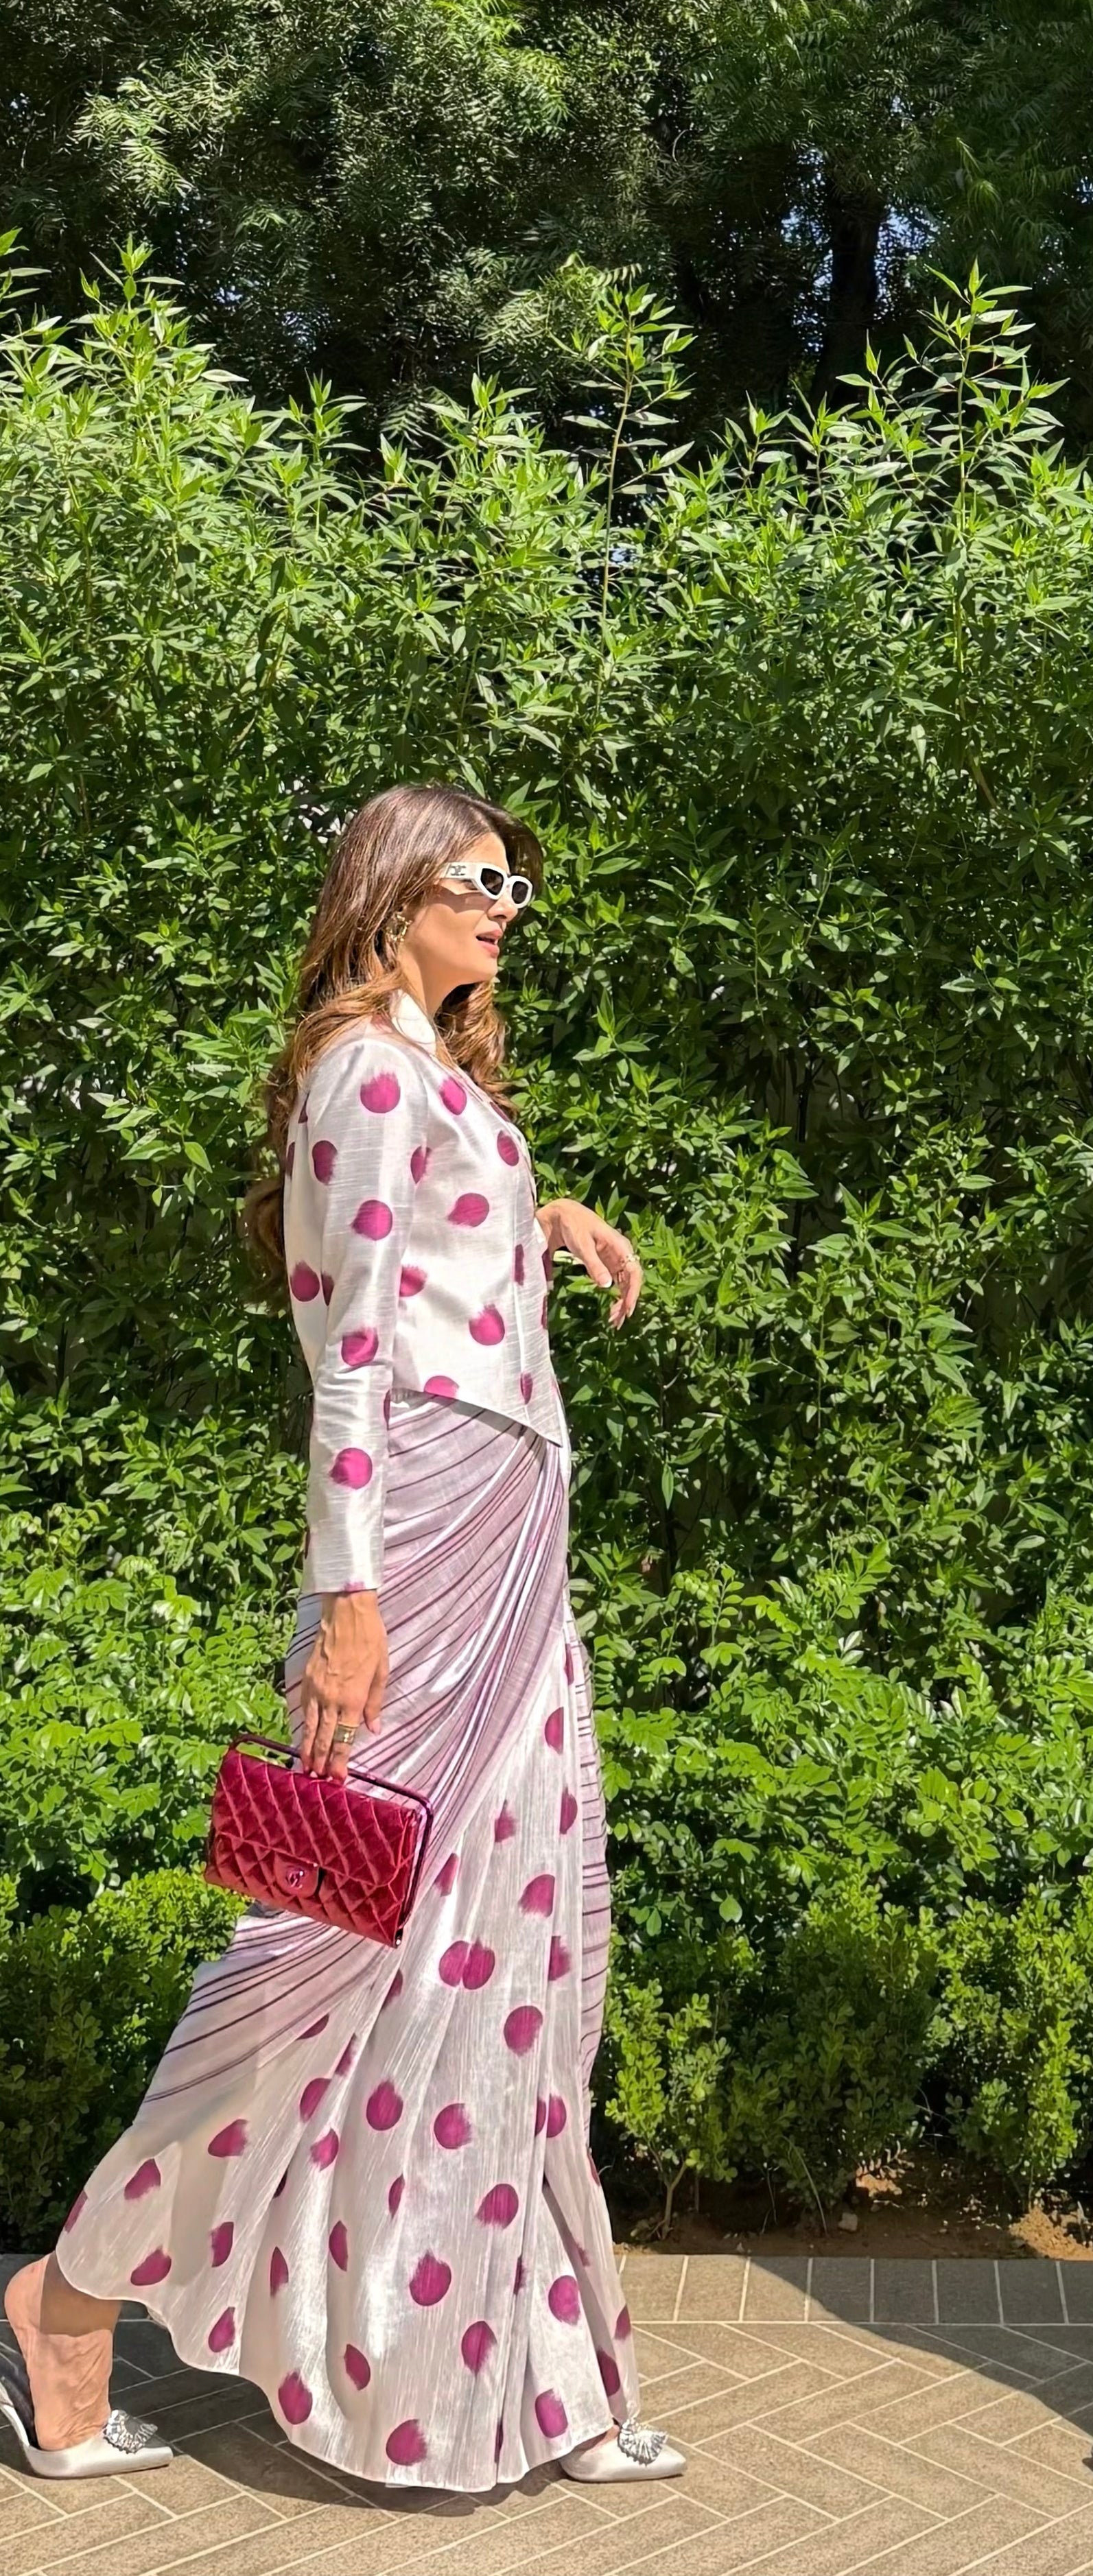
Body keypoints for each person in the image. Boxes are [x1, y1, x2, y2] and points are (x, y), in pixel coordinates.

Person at [1, 785, 685, 2496]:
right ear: (390, 891)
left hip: (505, 1521)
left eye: (518, 882)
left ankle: (533, 2373)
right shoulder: (367, 1070)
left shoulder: (431, 1072)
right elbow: (354, 1350)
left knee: (513, 1941)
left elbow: (435, 1265)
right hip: (423, 1532)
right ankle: (64, 2304)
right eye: (479, 877)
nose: (508, 902)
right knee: (326, 1932)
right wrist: (350, 1595)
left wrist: (543, 1222)